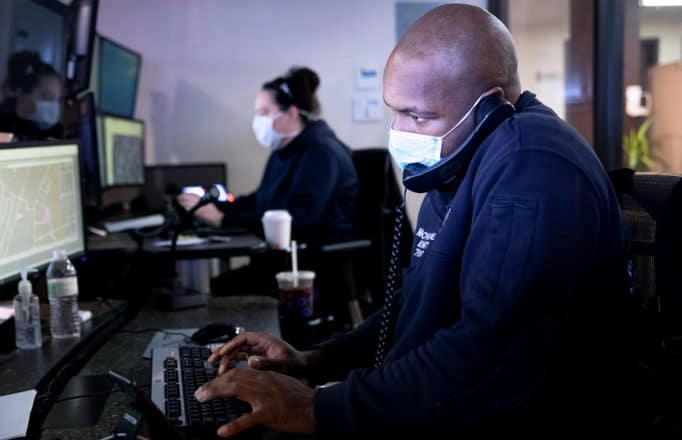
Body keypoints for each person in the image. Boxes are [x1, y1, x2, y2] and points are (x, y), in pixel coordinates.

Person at [191, 4, 634, 438]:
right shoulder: (466, 157)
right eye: (395, 111)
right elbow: (417, 304)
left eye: (419, 116)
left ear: (488, 105)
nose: (399, 131)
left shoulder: (530, 166)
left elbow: (489, 357)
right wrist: (314, 361)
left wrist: (314, 406)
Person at [178, 67, 358, 297]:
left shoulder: (319, 152)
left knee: (217, 291)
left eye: (264, 112)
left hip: (309, 267)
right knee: (215, 288)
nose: (258, 121)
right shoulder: (285, 150)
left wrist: (222, 219)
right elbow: (261, 201)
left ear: (292, 113)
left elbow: (300, 218)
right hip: (284, 261)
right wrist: (210, 207)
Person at [0, 50, 63, 131]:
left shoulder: (41, 127)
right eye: (47, 98)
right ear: (21, 93)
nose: (54, 106)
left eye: (58, 100)